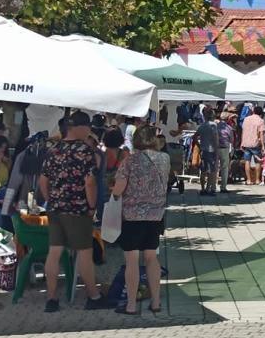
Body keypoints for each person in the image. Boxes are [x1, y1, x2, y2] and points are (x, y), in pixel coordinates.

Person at [39, 111, 105, 312]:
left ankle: (51, 299)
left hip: (56, 208)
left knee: (54, 252)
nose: (89, 131)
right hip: (78, 209)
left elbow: (43, 180)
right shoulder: (85, 151)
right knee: (84, 252)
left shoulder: (53, 150)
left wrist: (51, 198)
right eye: (88, 127)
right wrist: (92, 207)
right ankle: (93, 296)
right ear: (79, 127)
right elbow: (90, 183)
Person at [111, 124, 169, 315]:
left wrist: (115, 195)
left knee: (132, 260)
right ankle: (156, 302)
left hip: (132, 216)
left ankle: (131, 305)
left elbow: (119, 188)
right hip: (156, 215)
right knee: (152, 258)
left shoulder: (130, 161)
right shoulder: (165, 159)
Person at [196, 107, 221, 195]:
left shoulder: (202, 126)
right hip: (211, 151)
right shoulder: (213, 125)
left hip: (203, 150)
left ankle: (203, 188)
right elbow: (215, 139)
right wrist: (217, 150)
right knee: (211, 171)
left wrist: (199, 145)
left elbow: (194, 137)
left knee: (203, 171)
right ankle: (208, 189)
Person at [240, 106, 265, 185]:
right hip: (255, 143)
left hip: (246, 142)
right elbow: (261, 134)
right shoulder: (261, 121)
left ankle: (248, 180)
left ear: (253, 111)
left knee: (247, 161)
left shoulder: (246, 119)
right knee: (258, 161)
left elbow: (243, 131)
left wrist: (242, 142)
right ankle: (257, 179)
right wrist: (263, 145)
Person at [217, 113, 235, 193]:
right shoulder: (229, 128)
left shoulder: (215, 126)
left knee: (215, 167)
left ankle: (212, 185)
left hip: (215, 147)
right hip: (224, 148)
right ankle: (223, 187)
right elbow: (231, 140)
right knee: (224, 167)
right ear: (228, 119)